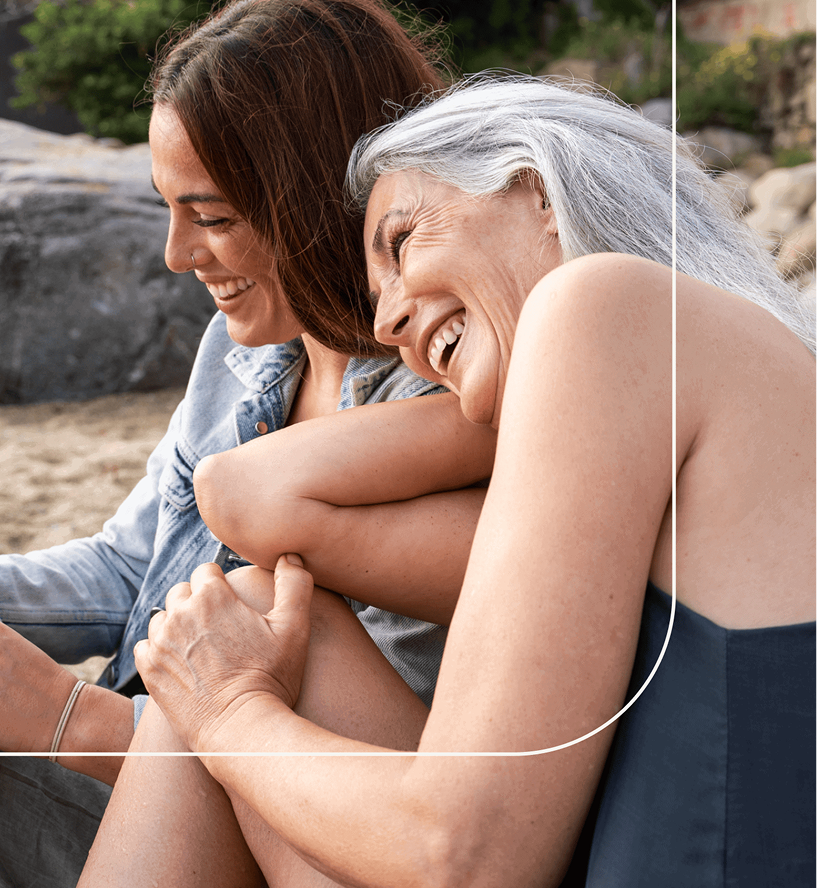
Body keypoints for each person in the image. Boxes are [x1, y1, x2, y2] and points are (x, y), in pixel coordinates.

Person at [82, 76, 817, 888]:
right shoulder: (700, 393)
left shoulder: (607, 302)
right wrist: (497, 408)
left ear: (536, 187)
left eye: (399, 244)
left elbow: (461, 854)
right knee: (264, 614)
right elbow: (250, 494)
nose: (387, 322)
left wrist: (224, 712)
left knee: (227, 671)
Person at [0, 3, 496, 886]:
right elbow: (130, 567)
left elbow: (334, 783)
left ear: (315, 200)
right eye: (169, 211)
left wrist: (59, 714)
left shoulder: (444, 414)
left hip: (224, 815)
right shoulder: (245, 347)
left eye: (213, 217)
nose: (175, 254)